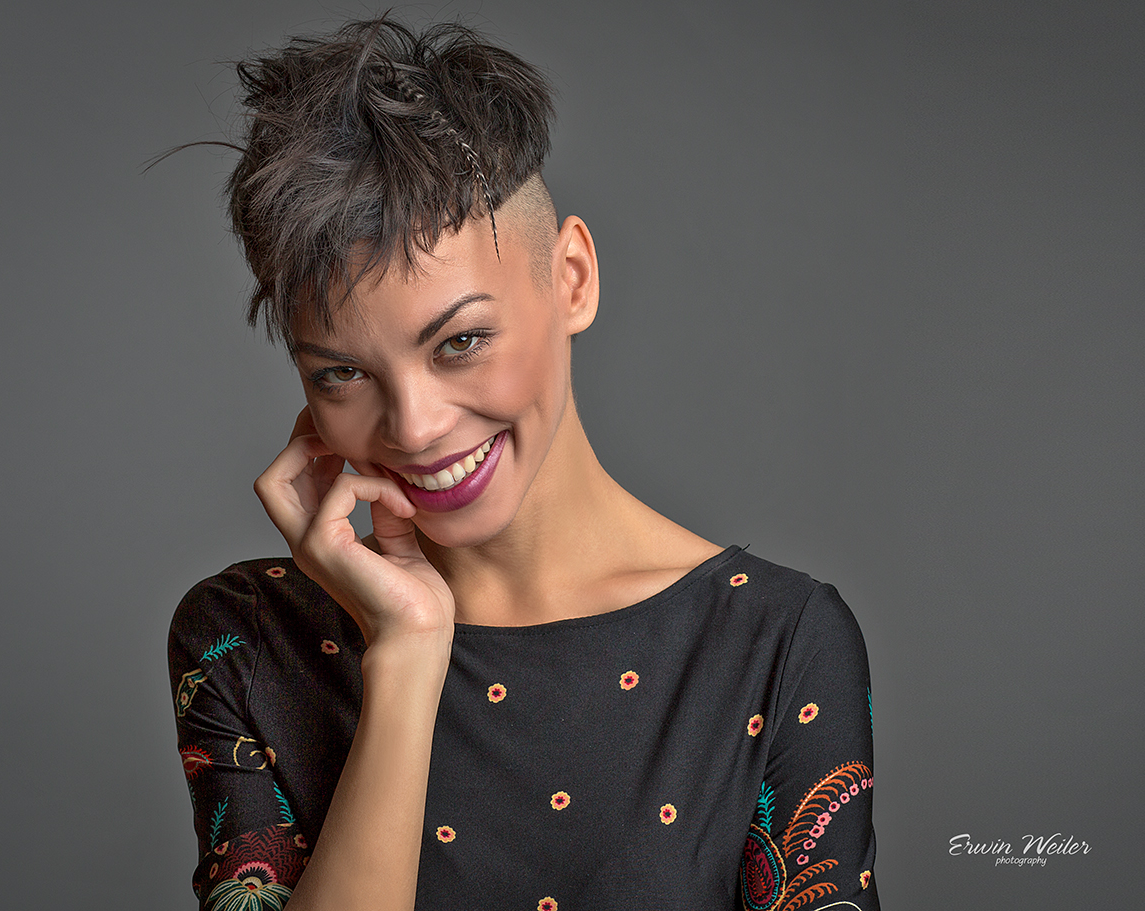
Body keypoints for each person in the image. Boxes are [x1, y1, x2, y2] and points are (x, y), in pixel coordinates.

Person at [169, 17, 879, 911]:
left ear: (572, 276)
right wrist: (408, 652)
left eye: (461, 340)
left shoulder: (777, 641)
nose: (415, 427)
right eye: (342, 373)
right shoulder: (243, 640)